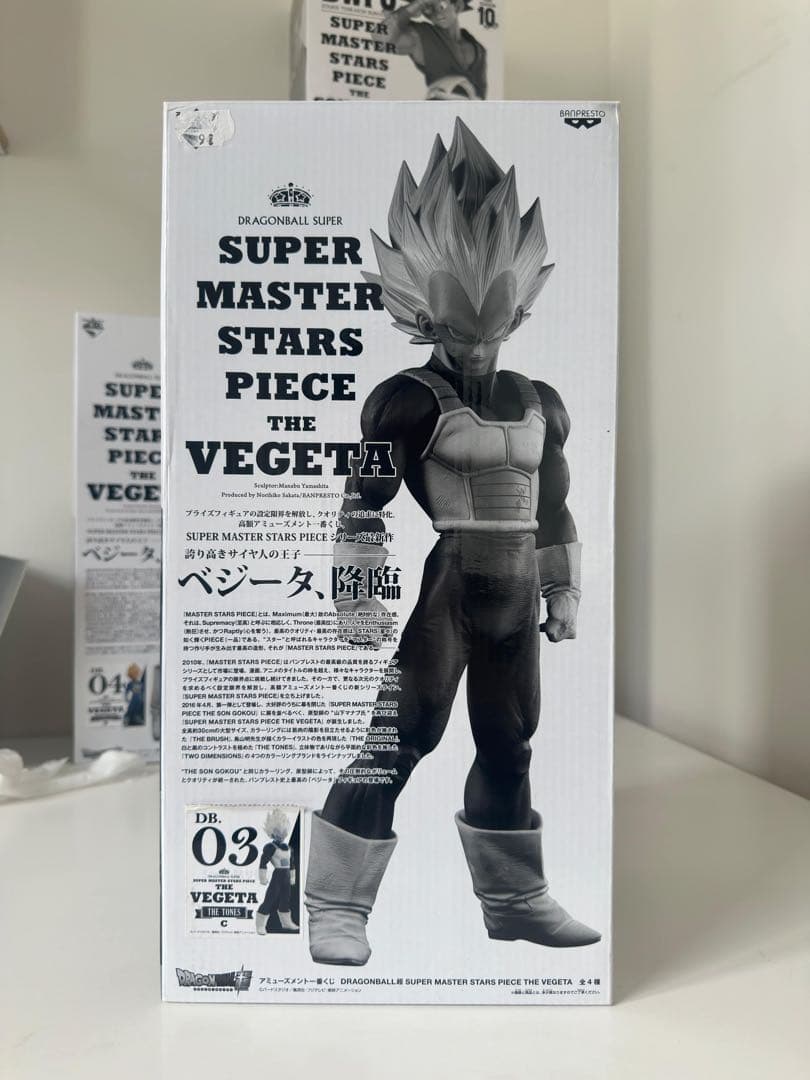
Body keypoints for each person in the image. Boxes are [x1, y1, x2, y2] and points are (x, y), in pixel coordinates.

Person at [304, 119, 600, 966]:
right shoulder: (402, 399)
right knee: (396, 740)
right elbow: (361, 505)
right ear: (421, 311)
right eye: (458, 329)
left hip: (514, 591)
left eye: (492, 326)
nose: (475, 345)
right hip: (452, 586)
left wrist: (564, 591)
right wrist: (358, 600)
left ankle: (514, 900)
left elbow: (555, 506)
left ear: (520, 306)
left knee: (509, 744)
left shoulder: (542, 400)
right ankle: (333, 904)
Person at [385, 0, 487, 100]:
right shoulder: (421, 36)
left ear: (458, 6)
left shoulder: (478, 48)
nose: (437, 14)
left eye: (442, 6)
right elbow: (382, 38)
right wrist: (413, 7)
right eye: (428, 9)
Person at [256, 810, 298, 934]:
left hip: (286, 877)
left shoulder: (289, 848)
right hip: (277, 876)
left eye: (283, 831)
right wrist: (263, 878)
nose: (281, 834)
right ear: (272, 832)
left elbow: (292, 864)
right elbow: (263, 863)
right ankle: (260, 925)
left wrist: (292, 877)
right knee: (270, 899)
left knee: (286, 900)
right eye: (277, 831)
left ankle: (286, 923)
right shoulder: (270, 847)